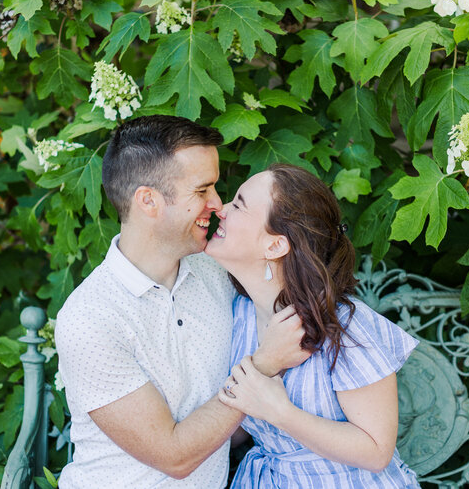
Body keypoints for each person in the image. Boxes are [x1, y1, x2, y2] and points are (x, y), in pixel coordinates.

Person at [54, 116, 309, 488]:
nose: (218, 204)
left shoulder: (216, 271)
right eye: (202, 190)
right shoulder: (90, 320)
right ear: (149, 201)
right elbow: (175, 457)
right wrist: (265, 364)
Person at [205, 163, 421, 488]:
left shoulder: (342, 326)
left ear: (275, 246)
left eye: (239, 204)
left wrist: (281, 412)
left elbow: (376, 452)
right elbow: (234, 428)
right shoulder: (238, 316)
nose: (221, 209)